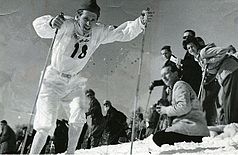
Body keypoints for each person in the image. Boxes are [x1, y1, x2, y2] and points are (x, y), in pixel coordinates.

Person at [30, 0, 151, 153]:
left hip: (73, 81)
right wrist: (52, 23)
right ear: (77, 16)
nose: (89, 23)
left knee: (79, 117)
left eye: (93, 20)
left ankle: (71, 152)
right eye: (86, 18)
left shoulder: (98, 31)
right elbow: (39, 25)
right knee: (46, 124)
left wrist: (140, 23)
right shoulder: (66, 24)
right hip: (53, 79)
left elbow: (121, 32)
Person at [183, 37, 238, 125]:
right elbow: (212, 69)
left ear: (197, 46)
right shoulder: (197, 58)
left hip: (230, 70)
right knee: (226, 99)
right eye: (188, 48)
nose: (191, 49)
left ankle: (232, 125)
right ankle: (231, 124)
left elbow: (222, 51)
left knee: (229, 99)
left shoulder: (203, 52)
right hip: (225, 74)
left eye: (192, 47)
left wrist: (209, 60)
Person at [152, 62, 209, 147]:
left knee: (158, 137)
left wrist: (165, 110)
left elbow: (184, 107)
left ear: (175, 73)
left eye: (166, 74)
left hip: (192, 128)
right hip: (190, 127)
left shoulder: (180, 85)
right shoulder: (175, 87)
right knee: (160, 135)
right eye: (161, 76)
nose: (163, 77)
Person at [181, 30, 202, 94]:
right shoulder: (188, 51)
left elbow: (197, 62)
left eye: (188, 36)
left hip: (196, 80)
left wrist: (182, 62)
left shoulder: (196, 48)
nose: (186, 38)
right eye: (184, 37)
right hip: (188, 82)